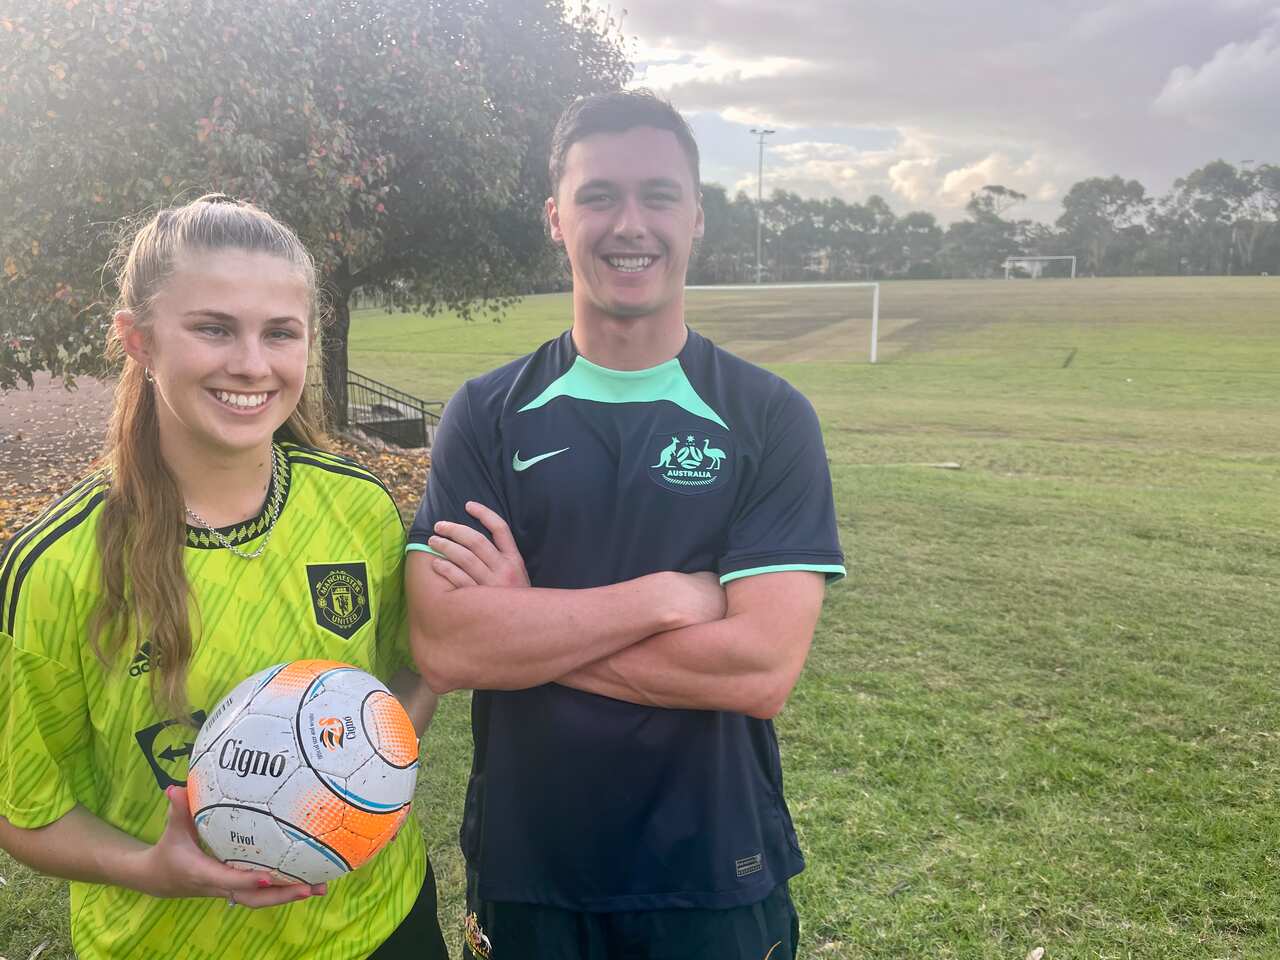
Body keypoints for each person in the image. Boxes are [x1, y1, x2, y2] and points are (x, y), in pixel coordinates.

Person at [406, 90, 845, 959]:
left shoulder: (767, 416)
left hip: (715, 869)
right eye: (599, 195)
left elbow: (760, 667)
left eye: (658, 195)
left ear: (697, 217)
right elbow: (451, 647)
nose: (629, 223)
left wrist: (530, 623)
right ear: (556, 219)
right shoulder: (488, 412)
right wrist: (666, 596)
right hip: (531, 870)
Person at [0, 195, 448, 960]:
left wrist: (367, 780)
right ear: (136, 339)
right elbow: (26, 811)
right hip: (166, 944)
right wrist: (150, 868)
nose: (251, 363)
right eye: (213, 328)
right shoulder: (56, 568)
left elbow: (415, 669)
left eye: (281, 333)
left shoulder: (358, 506)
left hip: (381, 924)